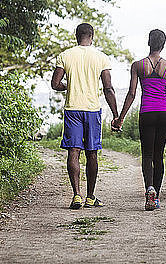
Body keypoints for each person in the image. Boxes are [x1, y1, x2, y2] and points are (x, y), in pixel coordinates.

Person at [51, 23, 119, 209]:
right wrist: (116, 115)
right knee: (92, 153)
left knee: (73, 151)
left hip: (72, 109)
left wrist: (69, 86)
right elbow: (108, 88)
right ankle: (90, 197)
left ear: (76, 36)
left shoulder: (65, 55)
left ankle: (76, 195)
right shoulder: (101, 58)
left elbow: (55, 84)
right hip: (92, 110)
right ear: (92, 35)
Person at [113, 29, 166, 211]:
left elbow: (132, 93)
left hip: (147, 113)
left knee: (147, 155)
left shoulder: (138, 65)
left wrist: (120, 118)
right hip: (164, 113)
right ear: (163, 45)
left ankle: (149, 188)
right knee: (159, 156)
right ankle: (155, 194)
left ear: (148, 43)